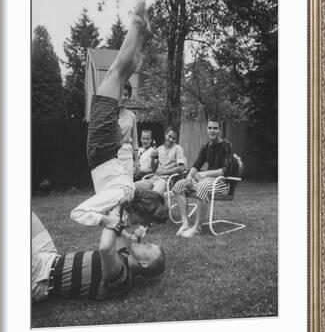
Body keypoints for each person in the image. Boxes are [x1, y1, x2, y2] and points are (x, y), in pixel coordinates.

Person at [70, 0, 167, 234]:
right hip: (101, 149)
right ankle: (136, 25)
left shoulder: (126, 197)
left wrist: (125, 232)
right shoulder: (121, 194)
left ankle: (141, 36)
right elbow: (77, 213)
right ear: (138, 211)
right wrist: (105, 222)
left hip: (108, 150)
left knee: (121, 75)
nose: (138, 226)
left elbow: (120, 222)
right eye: (142, 222)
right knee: (114, 72)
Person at [32, 212, 165, 302]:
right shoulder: (124, 254)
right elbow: (117, 229)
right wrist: (123, 207)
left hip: (41, 277)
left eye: (148, 247)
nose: (145, 241)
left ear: (144, 263)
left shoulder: (123, 277)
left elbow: (106, 248)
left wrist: (115, 214)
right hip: (50, 257)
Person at [173, 118, 233, 237]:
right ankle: (185, 224)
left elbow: (226, 170)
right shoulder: (206, 147)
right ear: (207, 129)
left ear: (220, 130)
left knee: (202, 186)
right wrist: (189, 176)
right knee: (179, 185)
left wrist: (206, 173)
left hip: (222, 183)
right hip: (207, 182)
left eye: (215, 128)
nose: (212, 130)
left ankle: (197, 228)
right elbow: (196, 165)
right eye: (210, 128)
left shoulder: (226, 145)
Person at [134, 126, 186, 196]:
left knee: (154, 195)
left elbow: (181, 168)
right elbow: (154, 169)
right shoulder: (160, 149)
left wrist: (164, 172)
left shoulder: (178, 149)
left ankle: (154, 206)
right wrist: (152, 158)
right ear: (165, 135)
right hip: (153, 178)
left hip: (165, 180)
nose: (171, 139)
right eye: (169, 136)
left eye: (174, 138)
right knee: (132, 187)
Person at [117, 81, 139, 180]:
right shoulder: (110, 114)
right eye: (120, 94)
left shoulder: (132, 116)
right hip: (113, 155)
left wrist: (136, 162)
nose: (123, 97)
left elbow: (135, 141)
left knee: (127, 186)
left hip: (127, 155)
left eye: (126, 94)